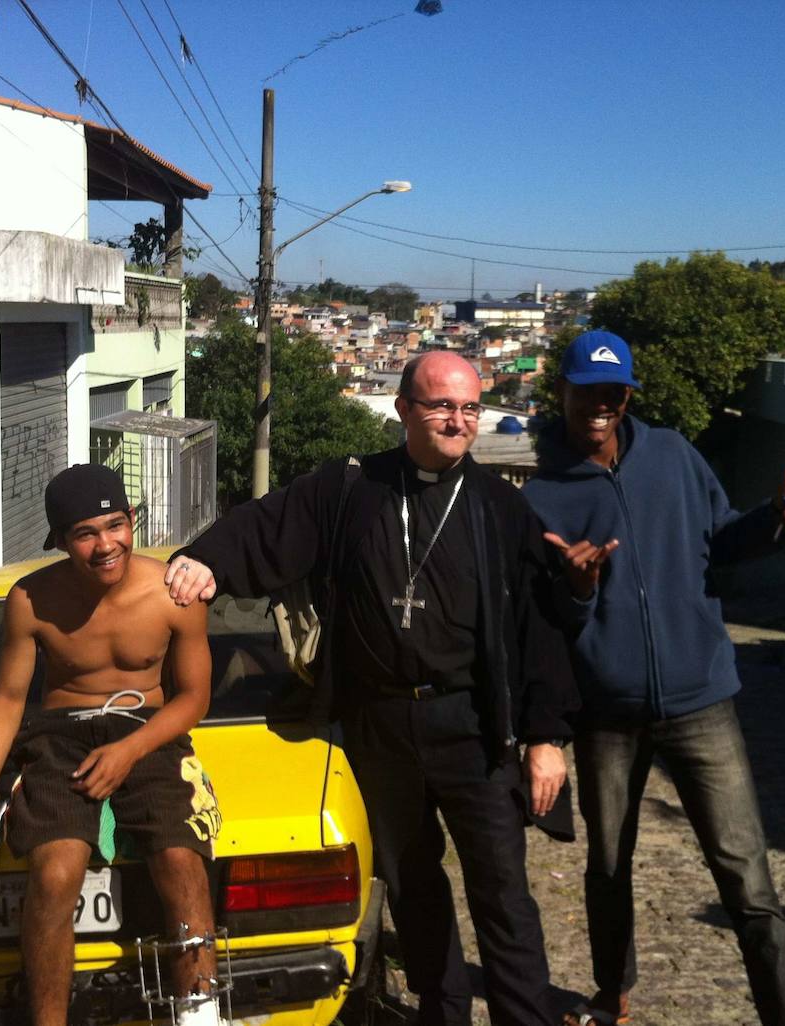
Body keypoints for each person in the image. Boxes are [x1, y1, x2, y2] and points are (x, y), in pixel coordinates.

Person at [165, 351, 577, 1026]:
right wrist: (205, 558)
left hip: (472, 726)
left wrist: (547, 737)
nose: (458, 420)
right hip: (381, 724)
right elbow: (271, 525)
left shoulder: (501, 507)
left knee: (502, 891)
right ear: (404, 410)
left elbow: (541, 631)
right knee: (413, 886)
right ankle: (441, 1013)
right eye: (442, 406)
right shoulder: (351, 488)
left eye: (470, 408)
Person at [522, 331, 785, 1026]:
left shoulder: (675, 455)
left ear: (628, 395)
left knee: (749, 884)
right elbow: (545, 620)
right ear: (559, 392)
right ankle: (611, 992)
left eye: (614, 391)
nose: (601, 403)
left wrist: (775, 524)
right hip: (606, 709)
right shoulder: (539, 496)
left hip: (701, 701)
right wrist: (579, 588)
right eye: (587, 390)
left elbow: (720, 543)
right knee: (608, 867)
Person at [0, 463, 223, 1026]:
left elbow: (194, 699)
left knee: (182, 862)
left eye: (114, 525)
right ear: (59, 541)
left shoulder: (174, 594)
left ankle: (199, 1015)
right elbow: (8, 698)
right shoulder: (30, 600)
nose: (105, 545)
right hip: (60, 739)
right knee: (54, 876)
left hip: (148, 729)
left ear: (133, 520)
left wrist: (128, 751)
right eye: (85, 533)